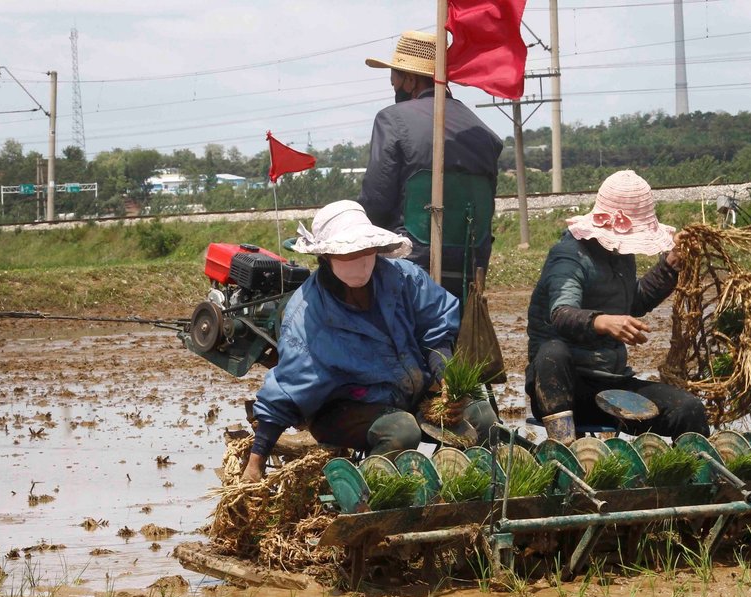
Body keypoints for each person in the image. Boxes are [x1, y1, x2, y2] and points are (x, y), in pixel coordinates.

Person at [241, 200, 497, 482]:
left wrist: (445, 378)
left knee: (482, 417)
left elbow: (435, 326)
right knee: (401, 431)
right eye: (349, 253)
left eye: (366, 251)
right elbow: (288, 389)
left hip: (408, 392)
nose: (361, 260)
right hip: (341, 408)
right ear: (326, 256)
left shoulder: (404, 279)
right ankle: (368, 493)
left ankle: (470, 489)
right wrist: (256, 461)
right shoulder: (308, 314)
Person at [525, 170, 709, 440]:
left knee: (688, 410)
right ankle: (565, 450)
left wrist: (670, 266)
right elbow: (561, 314)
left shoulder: (621, 256)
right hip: (564, 389)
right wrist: (603, 322)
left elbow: (633, 302)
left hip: (610, 386)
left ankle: (691, 476)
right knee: (553, 352)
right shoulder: (569, 256)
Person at [358, 30, 503, 300]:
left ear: (410, 79)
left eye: (395, 82)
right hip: (470, 267)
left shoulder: (392, 120)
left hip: (408, 265)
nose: (394, 90)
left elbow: (375, 201)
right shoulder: (486, 135)